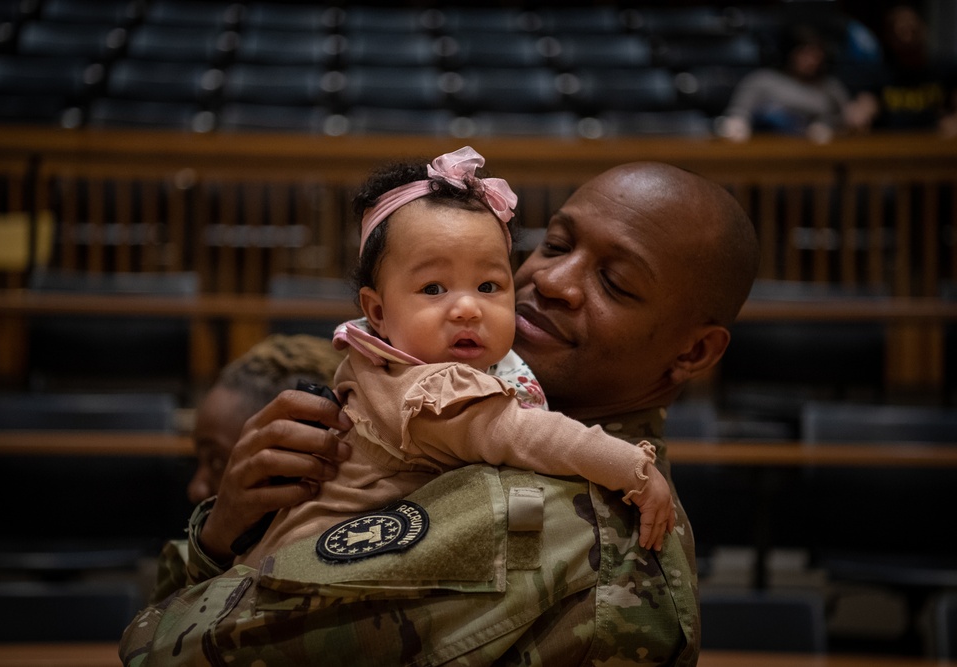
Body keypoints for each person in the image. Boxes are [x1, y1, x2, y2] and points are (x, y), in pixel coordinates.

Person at [121, 160, 760, 666]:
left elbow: (163, 647)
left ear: (694, 352)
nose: (554, 280)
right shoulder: (439, 406)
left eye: (616, 283)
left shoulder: (540, 514)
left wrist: (208, 550)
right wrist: (231, 523)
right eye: (553, 242)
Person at [237, 147, 674, 567]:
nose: (468, 308)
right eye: (433, 289)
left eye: (488, 287)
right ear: (378, 313)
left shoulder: (386, 362)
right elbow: (526, 433)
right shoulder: (430, 391)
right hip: (299, 574)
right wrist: (631, 468)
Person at [149, 333, 345, 603]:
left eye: (218, 461)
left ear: (296, 455)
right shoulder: (201, 548)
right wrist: (213, 544)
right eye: (198, 461)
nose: (195, 488)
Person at [717, 24, 867, 143]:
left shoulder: (831, 86)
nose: (811, 60)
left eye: (816, 55)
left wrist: (831, 126)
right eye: (804, 53)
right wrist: (737, 126)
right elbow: (737, 115)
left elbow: (847, 120)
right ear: (791, 53)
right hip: (765, 151)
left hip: (815, 156)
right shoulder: (762, 81)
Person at [849, 4, 957, 136]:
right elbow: (866, 103)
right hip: (891, 146)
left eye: (913, 30)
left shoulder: (946, 69)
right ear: (890, 38)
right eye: (901, 31)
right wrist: (861, 112)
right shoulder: (878, 73)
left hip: (935, 144)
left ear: (924, 29)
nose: (908, 38)